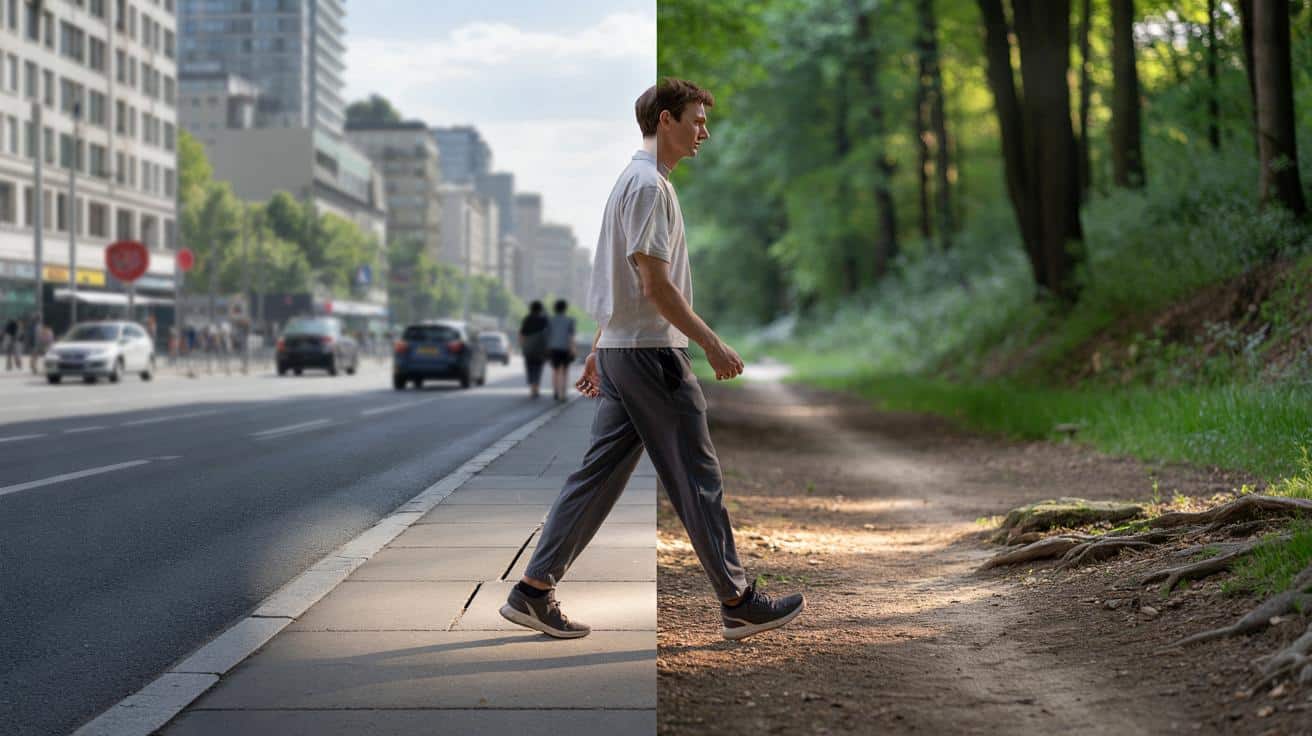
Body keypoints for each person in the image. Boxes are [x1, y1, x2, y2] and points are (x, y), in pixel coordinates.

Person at [501, 78, 804, 641]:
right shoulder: (647, 187)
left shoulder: (635, 181)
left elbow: (622, 283)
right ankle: (738, 600)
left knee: (598, 477)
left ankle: (532, 591)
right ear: (665, 120)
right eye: (696, 120)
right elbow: (656, 287)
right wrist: (712, 343)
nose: (703, 132)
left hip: (626, 351)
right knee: (697, 474)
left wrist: (599, 348)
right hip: (652, 356)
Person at [545, 299, 576, 401]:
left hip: (553, 348)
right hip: (565, 348)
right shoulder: (570, 320)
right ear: (565, 308)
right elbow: (571, 336)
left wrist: (547, 348)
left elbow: (547, 335)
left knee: (555, 370)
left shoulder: (550, 320)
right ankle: (563, 393)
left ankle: (556, 391)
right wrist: (573, 349)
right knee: (565, 371)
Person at [519, 301, 549, 398]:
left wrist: (522, 345)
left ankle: (532, 388)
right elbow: (548, 334)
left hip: (529, 348)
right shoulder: (543, 320)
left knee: (530, 367)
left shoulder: (527, 319)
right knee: (538, 368)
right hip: (540, 349)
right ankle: (536, 387)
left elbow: (522, 334)